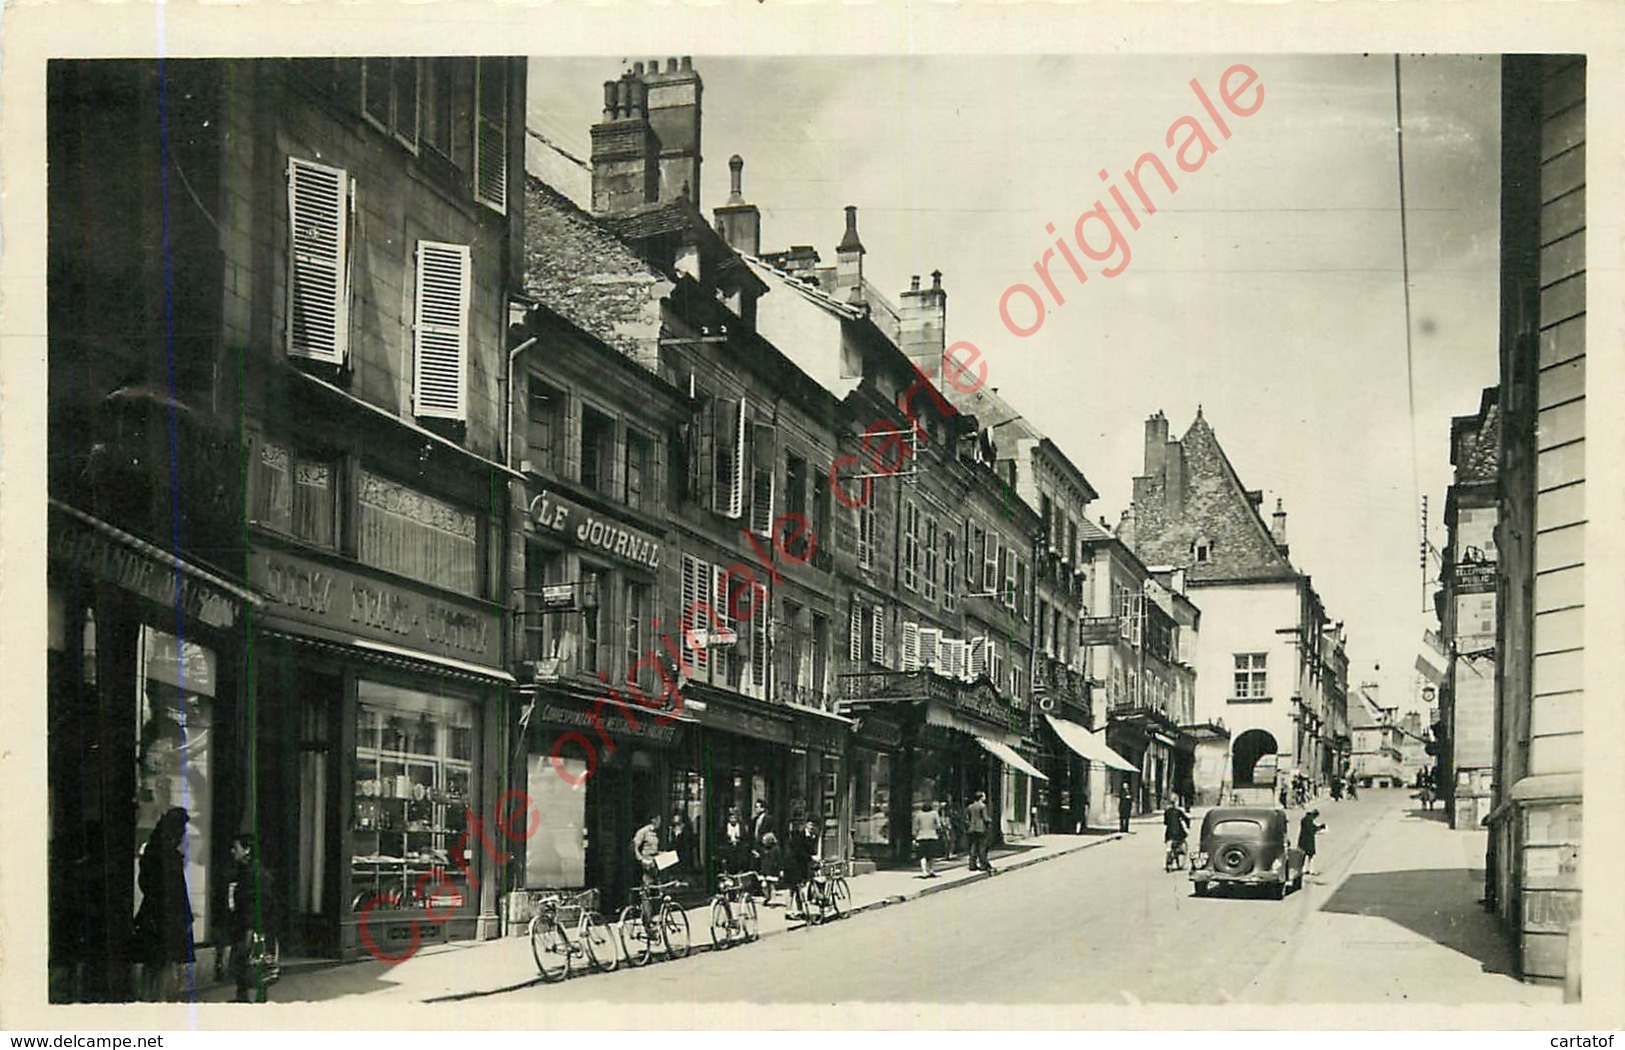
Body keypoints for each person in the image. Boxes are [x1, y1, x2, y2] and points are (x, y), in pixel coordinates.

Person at [133, 807, 194, 1002]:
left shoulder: (152, 852)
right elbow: (178, 892)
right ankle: (158, 1004)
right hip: (167, 918)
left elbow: (144, 883)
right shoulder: (170, 858)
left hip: (152, 914)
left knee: (152, 966)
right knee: (164, 965)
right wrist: (185, 917)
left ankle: (147, 1000)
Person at [225, 833, 279, 1003]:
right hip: (249, 924)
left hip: (251, 925)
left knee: (251, 957)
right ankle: (249, 995)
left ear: (247, 849)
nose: (232, 851)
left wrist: (250, 927)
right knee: (250, 959)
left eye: (236, 848)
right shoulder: (246, 871)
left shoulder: (252, 873)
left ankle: (251, 996)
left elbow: (254, 903)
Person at [631, 812, 662, 928]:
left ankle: (654, 917)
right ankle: (647, 920)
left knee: (657, 891)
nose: (660, 822)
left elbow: (653, 849)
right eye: (659, 819)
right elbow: (634, 846)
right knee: (647, 892)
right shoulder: (643, 832)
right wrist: (641, 859)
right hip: (646, 866)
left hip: (655, 865)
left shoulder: (655, 834)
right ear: (653, 820)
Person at [783, 817, 815, 918]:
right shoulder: (799, 835)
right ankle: (788, 912)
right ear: (806, 825)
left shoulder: (812, 836)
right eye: (810, 825)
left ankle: (800, 911)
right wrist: (811, 857)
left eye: (813, 826)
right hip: (793, 865)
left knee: (799, 889)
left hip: (801, 866)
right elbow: (798, 851)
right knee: (792, 888)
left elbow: (810, 850)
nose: (812, 827)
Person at [912, 800, 942, 878]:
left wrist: (914, 837)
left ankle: (924, 871)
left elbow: (915, 827)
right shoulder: (934, 814)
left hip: (921, 836)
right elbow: (938, 825)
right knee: (931, 855)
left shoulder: (918, 815)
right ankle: (931, 870)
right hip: (932, 835)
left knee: (922, 855)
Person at [966, 791, 993, 873]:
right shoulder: (983, 806)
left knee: (973, 847)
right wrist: (990, 820)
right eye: (984, 796)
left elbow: (967, 818)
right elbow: (985, 818)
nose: (985, 798)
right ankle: (983, 865)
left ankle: (972, 864)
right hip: (981, 829)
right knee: (982, 847)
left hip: (972, 828)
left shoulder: (970, 807)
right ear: (981, 798)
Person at [1162, 800, 1191, 871]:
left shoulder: (1166, 812)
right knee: (1181, 839)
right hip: (1178, 831)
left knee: (1169, 843)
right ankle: (1179, 850)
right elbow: (1186, 819)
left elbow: (1165, 822)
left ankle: (1169, 854)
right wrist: (1188, 826)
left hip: (1169, 831)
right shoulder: (1178, 811)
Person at [1298, 808, 1327, 876]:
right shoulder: (1309, 820)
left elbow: (1312, 827)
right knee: (1310, 855)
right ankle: (1310, 870)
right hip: (1308, 840)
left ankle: (1304, 869)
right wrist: (1319, 829)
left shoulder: (1305, 819)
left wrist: (1319, 827)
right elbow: (1311, 829)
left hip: (1303, 839)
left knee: (1304, 855)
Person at [721, 806, 748, 874]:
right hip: (728, 850)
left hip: (739, 850)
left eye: (734, 818)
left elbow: (745, 838)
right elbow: (722, 839)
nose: (733, 820)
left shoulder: (741, 826)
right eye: (731, 818)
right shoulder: (725, 827)